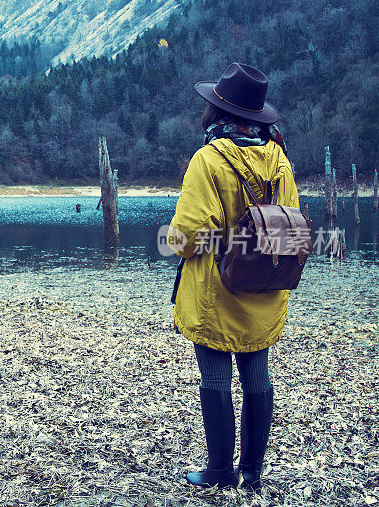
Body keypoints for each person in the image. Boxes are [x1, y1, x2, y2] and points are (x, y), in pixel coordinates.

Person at [168, 63, 299, 490]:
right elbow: (290, 224)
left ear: (218, 112)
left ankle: (221, 471)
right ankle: (253, 474)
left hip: (215, 289)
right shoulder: (279, 158)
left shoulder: (209, 159)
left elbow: (188, 235)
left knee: (215, 378)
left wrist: (175, 241)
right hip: (266, 284)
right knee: (257, 377)